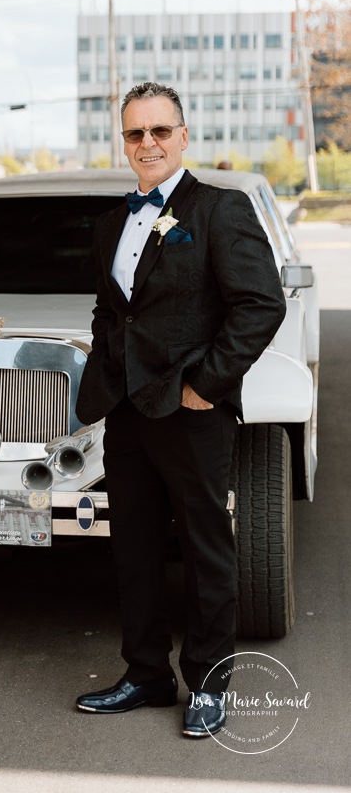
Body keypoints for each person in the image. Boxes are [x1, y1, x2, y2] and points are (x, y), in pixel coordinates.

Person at [74, 82, 286, 739]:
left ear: (182, 135)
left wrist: (205, 385)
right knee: (133, 550)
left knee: (204, 551)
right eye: (135, 133)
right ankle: (143, 674)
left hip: (192, 411)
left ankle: (209, 684)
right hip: (128, 414)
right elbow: (113, 311)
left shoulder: (220, 209)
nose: (147, 144)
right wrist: (107, 375)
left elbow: (260, 304)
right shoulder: (111, 223)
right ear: (124, 141)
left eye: (159, 131)